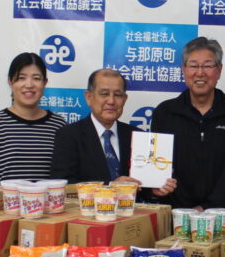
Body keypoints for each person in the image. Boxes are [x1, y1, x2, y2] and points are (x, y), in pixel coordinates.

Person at [150, 37, 225, 210]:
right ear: (184, 70)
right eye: (194, 65)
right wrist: (184, 209)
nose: (200, 72)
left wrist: (208, 208)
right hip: (175, 213)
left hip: (223, 212)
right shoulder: (165, 113)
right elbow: (158, 166)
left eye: (207, 65)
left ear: (219, 70)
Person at [49, 67, 177, 197]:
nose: (111, 101)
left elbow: (141, 187)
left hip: (131, 215)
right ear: (89, 97)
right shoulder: (69, 135)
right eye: (104, 94)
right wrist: (110, 187)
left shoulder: (136, 135)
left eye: (117, 95)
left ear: (125, 99)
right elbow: (63, 185)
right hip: (87, 215)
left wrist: (154, 189)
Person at [0, 52, 67, 188]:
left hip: (48, 208)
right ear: (10, 82)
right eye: (21, 78)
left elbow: (66, 179)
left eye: (36, 78)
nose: (29, 84)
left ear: (45, 83)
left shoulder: (59, 125)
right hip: (2, 208)